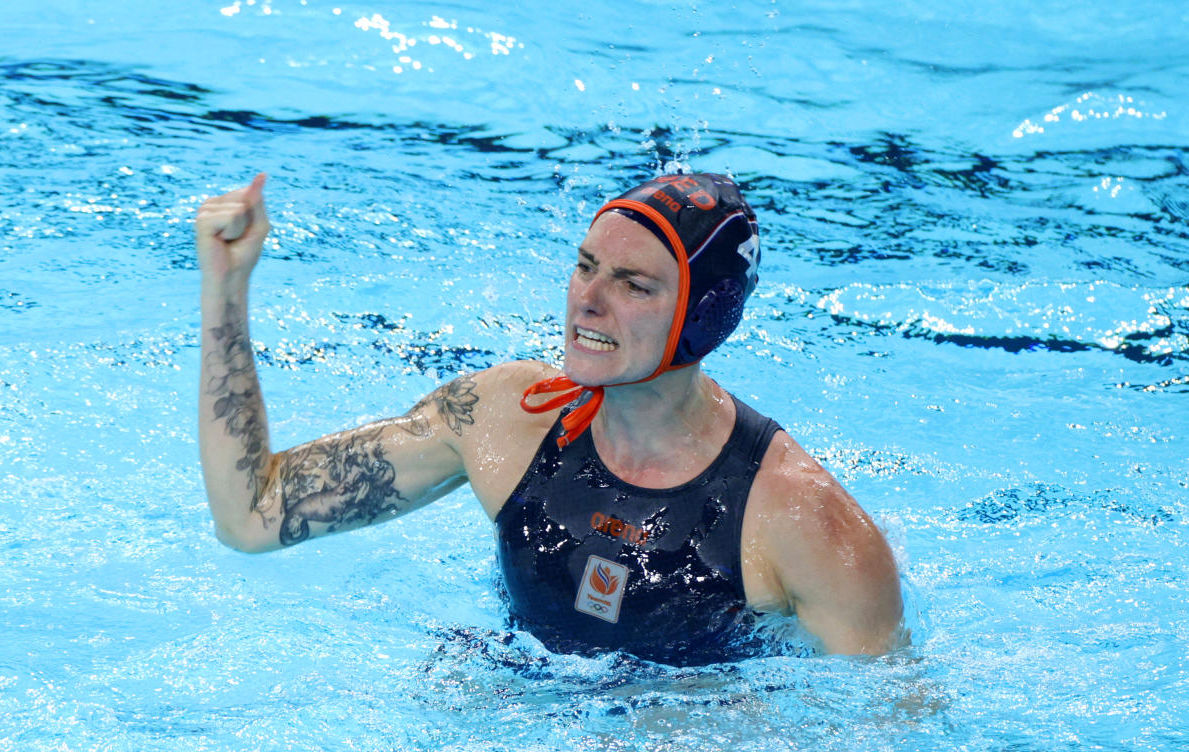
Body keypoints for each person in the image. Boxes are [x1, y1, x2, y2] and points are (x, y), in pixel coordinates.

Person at [196, 171, 904, 665]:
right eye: (586, 264)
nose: (588, 300)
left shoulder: (802, 523)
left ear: (703, 314)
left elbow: (885, 747)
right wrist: (225, 288)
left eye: (634, 284)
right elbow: (251, 515)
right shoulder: (504, 419)